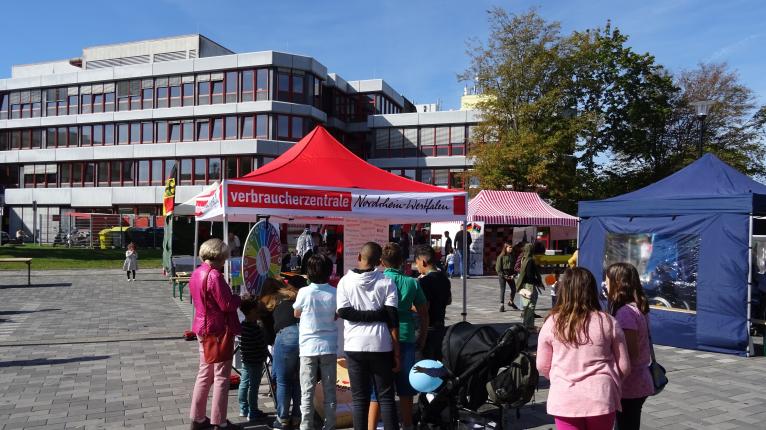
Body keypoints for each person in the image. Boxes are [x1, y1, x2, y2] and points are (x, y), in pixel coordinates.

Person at [536, 267, 631, 430]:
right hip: (601, 395)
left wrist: (560, 377)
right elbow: (624, 367)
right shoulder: (608, 322)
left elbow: (542, 365)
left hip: (565, 397)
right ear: (592, 290)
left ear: (563, 290)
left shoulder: (552, 323)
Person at [336, 242, 400, 430]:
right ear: (379, 261)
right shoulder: (386, 282)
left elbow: (344, 312)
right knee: (386, 397)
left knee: (359, 398)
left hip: (354, 346)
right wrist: (396, 351)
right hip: (381, 345)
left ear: (358, 256)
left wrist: (366, 316)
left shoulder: (344, 282)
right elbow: (392, 318)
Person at [369, 243, 428, 430]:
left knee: (377, 389)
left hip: (380, 338)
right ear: (402, 261)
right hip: (405, 337)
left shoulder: (376, 280)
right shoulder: (412, 283)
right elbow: (424, 313)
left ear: (381, 262)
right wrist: (423, 337)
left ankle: (371, 427)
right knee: (406, 388)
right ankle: (408, 424)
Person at [189, 238, 242, 430]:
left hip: (202, 327)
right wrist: (238, 298)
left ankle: (197, 418)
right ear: (219, 257)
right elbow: (226, 304)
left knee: (204, 373)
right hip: (218, 330)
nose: (225, 262)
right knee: (221, 376)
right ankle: (218, 421)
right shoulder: (215, 276)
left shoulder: (196, 273)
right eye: (224, 258)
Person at [605, 263, 654, 430]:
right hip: (639, 379)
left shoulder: (625, 313)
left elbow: (630, 352)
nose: (605, 284)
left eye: (607, 280)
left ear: (618, 283)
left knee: (625, 425)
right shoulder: (637, 307)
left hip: (630, 383)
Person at [293, 253, 338, 430]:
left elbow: (296, 313)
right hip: (329, 345)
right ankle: (330, 424)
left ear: (308, 273)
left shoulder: (304, 292)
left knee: (307, 390)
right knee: (329, 390)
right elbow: (337, 314)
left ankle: (306, 425)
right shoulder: (335, 292)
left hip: (308, 346)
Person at [260, 278, 301, 429]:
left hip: (286, 336)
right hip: (305, 335)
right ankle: (297, 417)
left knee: (283, 380)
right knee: (298, 379)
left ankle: (282, 419)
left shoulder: (268, 304)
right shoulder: (293, 295)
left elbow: (268, 335)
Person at [414, 245, 451, 361]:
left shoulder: (424, 281)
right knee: (437, 365)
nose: (416, 266)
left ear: (423, 262)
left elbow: (424, 308)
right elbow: (449, 300)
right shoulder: (444, 278)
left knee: (423, 368)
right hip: (440, 327)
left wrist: (407, 306)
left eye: (417, 263)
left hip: (427, 330)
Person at [238, 294, 268, 422]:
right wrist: (265, 353)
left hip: (246, 359)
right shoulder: (255, 328)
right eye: (257, 311)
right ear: (251, 312)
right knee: (254, 386)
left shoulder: (241, 326)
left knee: (244, 383)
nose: (258, 314)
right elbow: (261, 345)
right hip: (256, 360)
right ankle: (253, 410)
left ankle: (243, 408)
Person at [515, 243, 544, 330]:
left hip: (525, 285)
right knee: (530, 305)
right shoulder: (530, 260)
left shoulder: (524, 259)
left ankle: (527, 324)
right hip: (529, 285)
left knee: (526, 305)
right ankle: (529, 325)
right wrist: (538, 282)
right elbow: (530, 276)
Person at [495, 242, 518, 312]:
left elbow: (515, 267)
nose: (511, 248)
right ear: (506, 248)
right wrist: (503, 275)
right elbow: (498, 268)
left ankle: (511, 302)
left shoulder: (513, 256)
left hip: (510, 274)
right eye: (509, 247)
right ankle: (502, 305)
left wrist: (514, 274)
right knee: (503, 289)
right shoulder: (501, 256)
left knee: (514, 289)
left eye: (511, 247)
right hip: (502, 275)